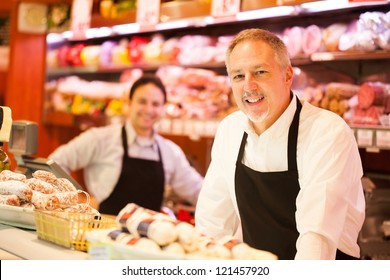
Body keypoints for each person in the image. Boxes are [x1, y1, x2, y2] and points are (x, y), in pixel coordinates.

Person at [195, 28, 366, 260]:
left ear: (287, 75)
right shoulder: (230, 130)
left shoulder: (326, 131)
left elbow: (316, 239)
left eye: (260, 72)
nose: (248, 86)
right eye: (238, 76)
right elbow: (211, 225)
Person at [49, 74, 203, 215]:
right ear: (129, 104)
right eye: (142, 102)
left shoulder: (170, 152)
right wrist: (80, 200)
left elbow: (198, 190)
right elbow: (54, 163)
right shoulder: (101, 138)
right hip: (98, 234)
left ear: (163, 109)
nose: (149, 109)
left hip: (145, 242)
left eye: (156, 104)